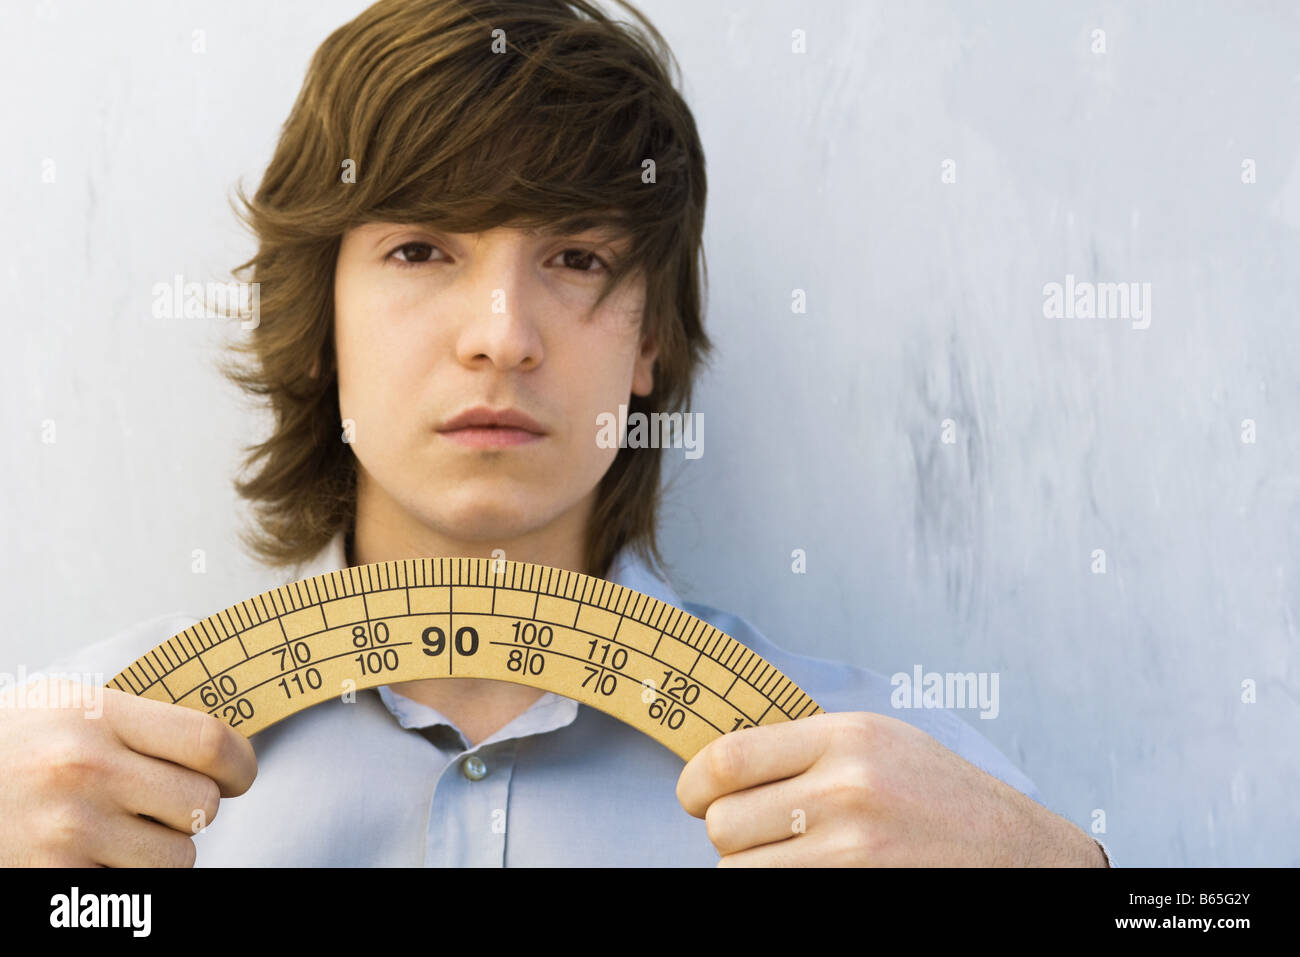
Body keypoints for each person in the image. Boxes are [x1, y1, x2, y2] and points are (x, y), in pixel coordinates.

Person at [4, 0, 1111, 867]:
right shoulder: (64, 767)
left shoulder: (891, 786)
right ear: (318, 327)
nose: (502, 337)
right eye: (421, 251)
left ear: (648, 348)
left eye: (576, 259)